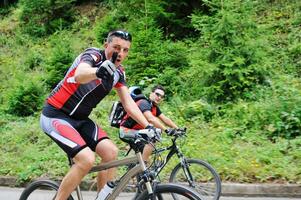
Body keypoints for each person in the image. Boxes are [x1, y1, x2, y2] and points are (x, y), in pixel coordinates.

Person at [40, 29, 155, 200]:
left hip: (80, 120)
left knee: (111, 152)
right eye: (116, 47)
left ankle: (102, 198)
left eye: (126, 50)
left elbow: (128, 103)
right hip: (56, 115)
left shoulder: (119, 72)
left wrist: (148, 126)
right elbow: (80, 75)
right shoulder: (93, 56)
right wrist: (97, 71)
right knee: (86, 159)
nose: (121, 53)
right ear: (106, 45)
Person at [120, 85, 178, 161]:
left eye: (162, 96)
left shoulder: (154, 108)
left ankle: (140, 166)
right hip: (125, 131)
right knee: (152, 137)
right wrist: (166, 130)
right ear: (151, 93)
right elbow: (151, 119)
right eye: (157, 94)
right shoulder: (143, 103)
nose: (159, 97)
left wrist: (177, 129)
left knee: (148, 152)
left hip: (138, 132)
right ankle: (144, 167)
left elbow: (166, 119)